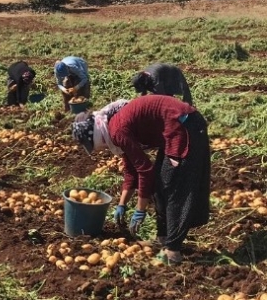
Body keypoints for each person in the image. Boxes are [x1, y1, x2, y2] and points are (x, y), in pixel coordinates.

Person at [71, 95, 210, 265]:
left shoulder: (117, 130)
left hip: (185, 124)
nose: (100, 150)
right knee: (160, 184)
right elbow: (131, 170)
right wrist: (122, 204)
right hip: (175, 127)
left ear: (95, 136)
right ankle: (164, 238)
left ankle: (173, 251)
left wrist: (140, 209)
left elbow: (145, 170)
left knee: (172, 186)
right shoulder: (114, 127)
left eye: (93, 145)